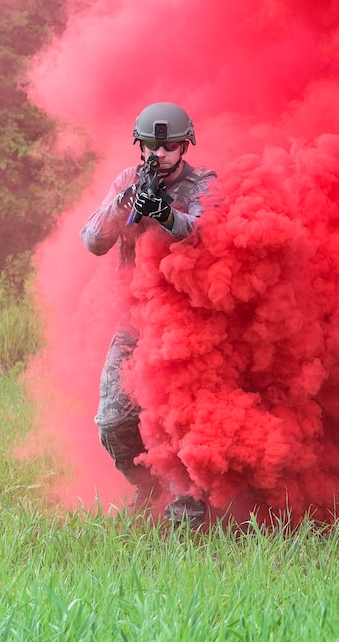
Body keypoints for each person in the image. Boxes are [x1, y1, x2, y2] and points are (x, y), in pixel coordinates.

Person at [80, 102, 218, 529]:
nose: (158, 154)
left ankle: (188, 520)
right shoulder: (128, 181)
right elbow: (92, 241)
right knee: (113, 422)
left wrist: (165, 213)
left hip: (186, 323)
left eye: (169, 145)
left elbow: (207, 237)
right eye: (151, 145)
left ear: (185, 145)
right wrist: (126, 203)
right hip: (136, 319)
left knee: (177, 422)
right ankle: (147, 485)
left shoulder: (202, 183)